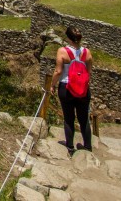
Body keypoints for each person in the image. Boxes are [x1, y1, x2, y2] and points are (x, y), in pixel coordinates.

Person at [51, 26, 93, 155]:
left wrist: (52, 85)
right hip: (82, 89)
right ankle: (87, 146)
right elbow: (89, 71)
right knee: (84, 118)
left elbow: (58, 71)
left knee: (69, 118)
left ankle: (70, 146)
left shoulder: (62, 51)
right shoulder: (87, 52)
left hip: (66, 87)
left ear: (68, 38)